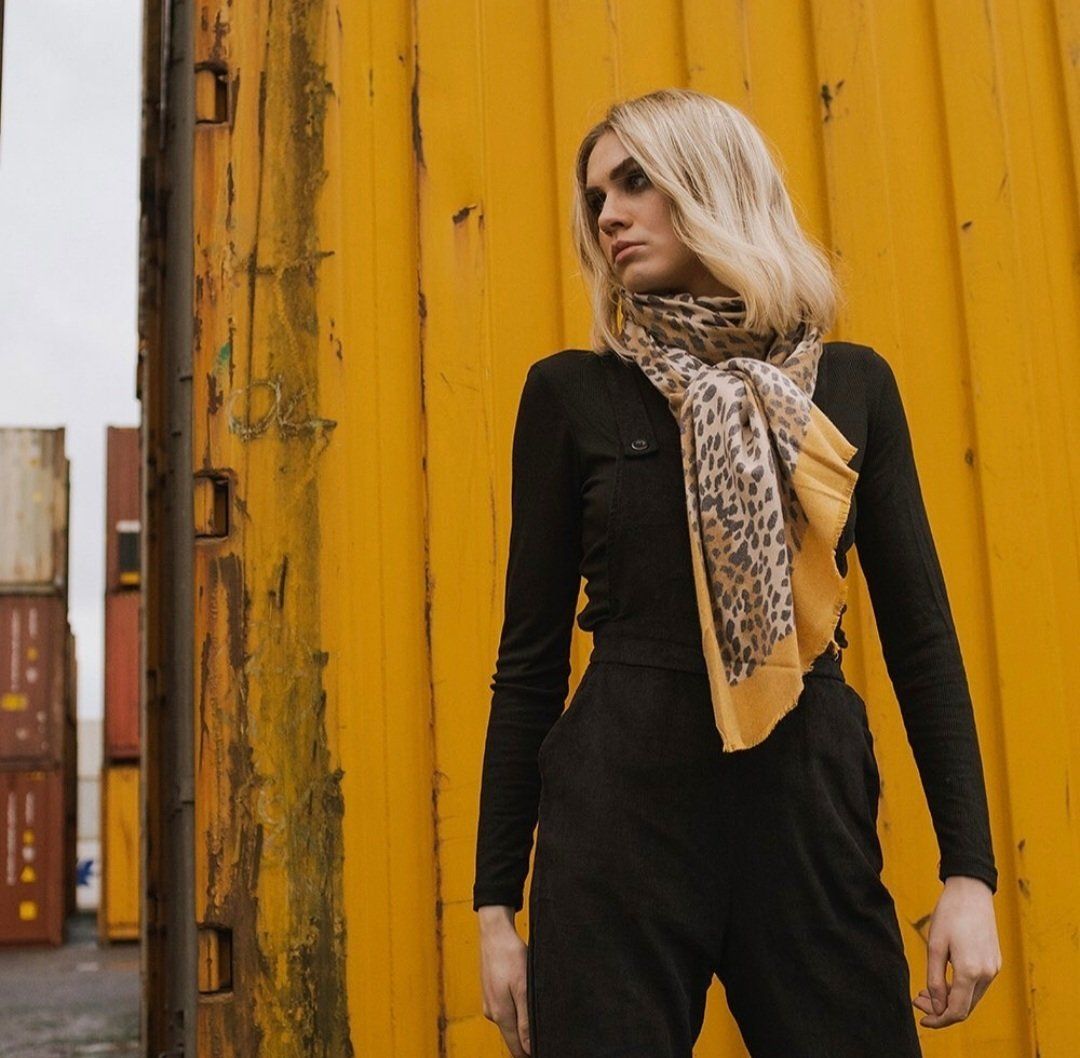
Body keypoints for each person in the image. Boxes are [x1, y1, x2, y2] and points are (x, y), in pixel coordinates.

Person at [473, 88, 1001, 1058]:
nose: (609, 214)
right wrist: (495, 906)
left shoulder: (852, 385)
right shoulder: (571, 393)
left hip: (807, 810)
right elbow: (528, 660)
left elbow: (922, 638)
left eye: (636, 181)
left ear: (713, 181)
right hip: (616, 820)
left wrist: (969, 873)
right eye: (595, 195)